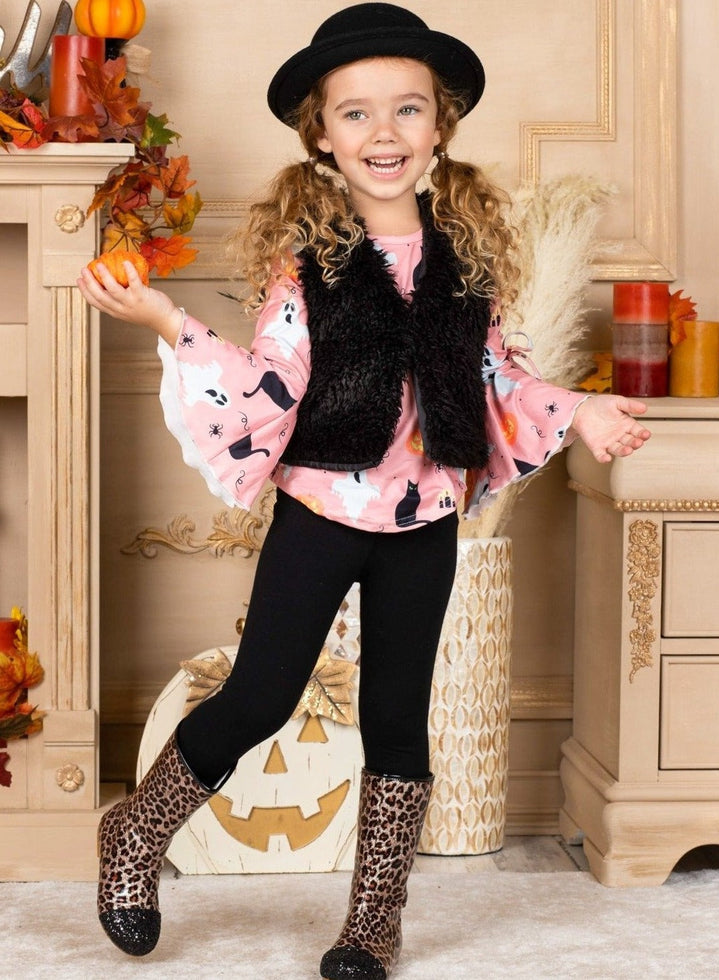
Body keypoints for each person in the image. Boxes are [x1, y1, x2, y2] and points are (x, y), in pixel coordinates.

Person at [77, 3, 651, 976]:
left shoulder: (465, 260)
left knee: (397, 715)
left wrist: (582, 410)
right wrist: (170, 320)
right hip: (321, 513)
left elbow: (497, 375)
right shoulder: (311, 265)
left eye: (406, 109)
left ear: (439, 125)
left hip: (423, 522)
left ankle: (371, 923)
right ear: (321, 135)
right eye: (356, 113)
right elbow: (270, 381)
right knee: (260, 695)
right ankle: (135, 833)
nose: (384, 132)